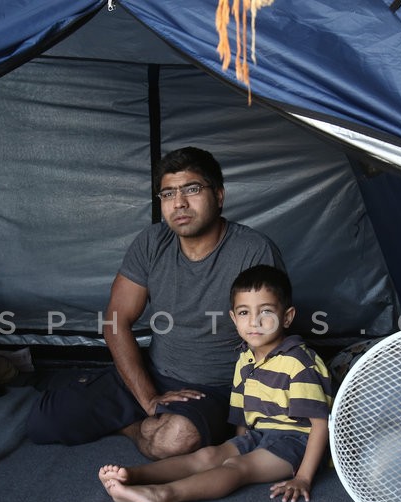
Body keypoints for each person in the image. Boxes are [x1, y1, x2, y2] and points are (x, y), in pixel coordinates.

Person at [26, 147, 284, 459]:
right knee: (44, 421)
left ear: (219, 196)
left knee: (172, 441)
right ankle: (141, 419)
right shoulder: (151, 243)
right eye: (168, 193)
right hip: (154, 375)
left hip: (214, 389)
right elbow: (115, 321)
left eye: (192, 189)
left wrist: (249, 414)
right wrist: (149, 399)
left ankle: (134, 426)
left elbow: (272, 341)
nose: (180, 203)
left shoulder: (253, 251)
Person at [97, 264, 331, 502]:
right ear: (233, 318)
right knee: (208, 455)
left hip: (295, 443)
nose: (254, 321)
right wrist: (238, 443)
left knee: (237, 466)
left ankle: (164, 495)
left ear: (286, 316)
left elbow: (319, 425)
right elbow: (243, 413)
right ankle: (134, 475)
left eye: (265, 312)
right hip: (260, 435)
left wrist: (304, 477)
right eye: (244, 312)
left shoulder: (299, 363)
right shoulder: (245, 358)